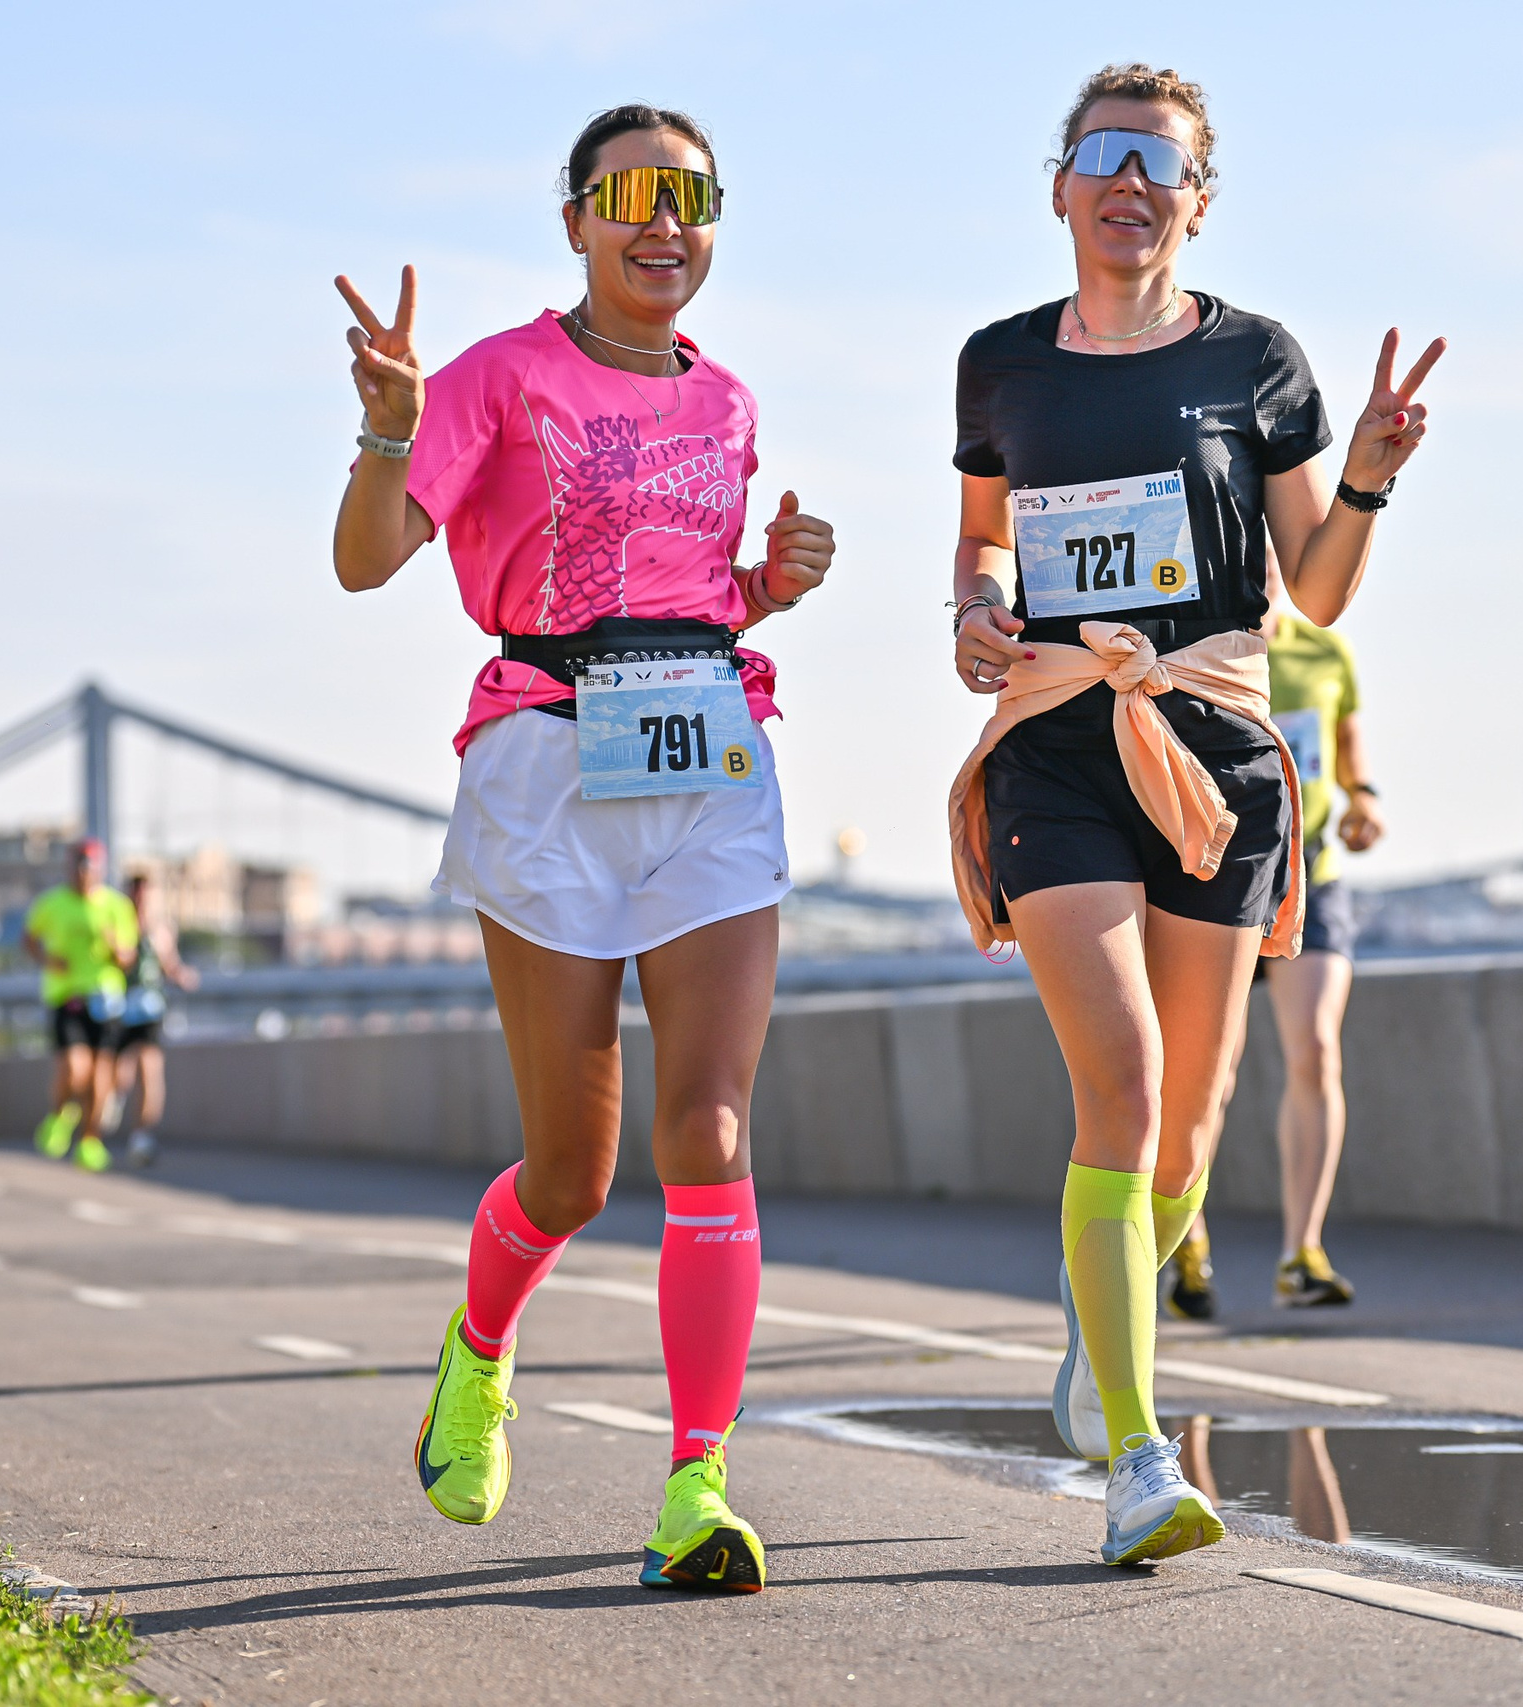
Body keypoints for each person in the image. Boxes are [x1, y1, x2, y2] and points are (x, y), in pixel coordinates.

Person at [331, 102, 834, 1593]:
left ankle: (696, 1484)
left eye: (691, 194)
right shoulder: (497, 375)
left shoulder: (731, 402)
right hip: (547, 760)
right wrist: (388, 427)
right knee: (572, 1167)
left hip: (706, 755)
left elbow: (688, 596)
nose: (662, 221)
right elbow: (368, 561)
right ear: (575, 220)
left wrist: (767, 585)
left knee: (711, 1130)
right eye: (630, 193)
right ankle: (478, 1349)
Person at [944, 63, 1441, 1566]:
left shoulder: (1259, 360)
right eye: (1101, 154)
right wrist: (973, 613)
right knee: (1128, 1087)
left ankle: (1103, 1331)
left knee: (1194, 1120)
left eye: (1159, 163)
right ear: (1059, 187)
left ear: (1198, 201)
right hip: (1056, 742)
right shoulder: (1000, 365)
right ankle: (1142, 1458)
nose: (1128, 182)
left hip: (1217, 746)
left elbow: (1319, 588)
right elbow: (980, 544)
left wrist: (1359, 481)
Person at [1164, 552, 1384, 1319]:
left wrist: (1363, 800)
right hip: (1215, 872)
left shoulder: (1325, 650)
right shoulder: (1188, 642)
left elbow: (1347, 750)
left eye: (1269, 553)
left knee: (1316, 1047)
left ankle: (1302, 1252)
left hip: (1311, 871)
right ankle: (1182, 1235)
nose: (1257, 567)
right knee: (1209, 1074)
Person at [22, 839, 137, 1174]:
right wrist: (47, 959)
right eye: (79, 865)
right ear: (69, 867)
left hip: (105, 997)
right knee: (75, 1067)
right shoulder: (51, 903)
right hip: (66, 995)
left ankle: (90, 1140)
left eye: (91, 866)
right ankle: (61, 1114)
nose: (84, 872)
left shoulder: (116, 906)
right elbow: (29, 940)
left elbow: (128, 957)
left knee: (101, 1074)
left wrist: (117, 948)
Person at [109, 868, 197, 1167]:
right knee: (120, 1071)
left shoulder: (160, 930)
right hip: (118, 1008)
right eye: (136, 894)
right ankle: (113, 1102)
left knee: (150, 1071)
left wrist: (181, 975)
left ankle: (142, 1136)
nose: (141, 901)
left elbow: (169, 965)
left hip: (149, 1009)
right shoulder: (117, 926)